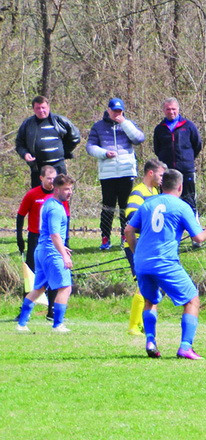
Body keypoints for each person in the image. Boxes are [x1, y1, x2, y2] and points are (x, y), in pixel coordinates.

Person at [124, 170, 206, 359]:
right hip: (165, 262)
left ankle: (150, 341)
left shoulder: (147, 203)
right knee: (192, 300)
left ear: (161, 185)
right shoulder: (182, 206)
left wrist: (136, 254)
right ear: (180, 187)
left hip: (142, 262)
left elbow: (128, 230)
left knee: (150, 301)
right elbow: (198, 238)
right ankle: (185, 347)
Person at [16, 174, 76, 333]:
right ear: (56, 189)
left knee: (39, 288)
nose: (69, 192)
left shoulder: (49, 202)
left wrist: (62, 247)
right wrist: (63, 254)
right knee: (65, 287)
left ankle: (21, 323)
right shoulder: (56, 208)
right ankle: (58, 325)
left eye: (70, 189)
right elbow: (54, 235)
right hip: (52, 252)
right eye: (66, 189)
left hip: (42, 250)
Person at [86, 98, 146, 250]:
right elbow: (90, 147)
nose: (116, 114)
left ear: (123, 111)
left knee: (125, 206)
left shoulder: (128, 124)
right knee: (108, 206)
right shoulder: (98, 127)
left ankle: (125, 236)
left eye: (119, 111)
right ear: (108, 110)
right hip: (108, 173)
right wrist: (104, 153)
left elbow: (139, 138)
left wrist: (124, 123)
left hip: (126, 171)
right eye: (114, 111)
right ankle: (105, 237)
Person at [123, 159, 166, 336]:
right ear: (150, 173)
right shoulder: (138, 192)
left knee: (150, 285)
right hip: (137, 244)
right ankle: (133, 326)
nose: (163, 178)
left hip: (149, 246)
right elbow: (131, 216)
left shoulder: (154, 191)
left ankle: (140, 324)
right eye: (161, 175)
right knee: (143, 285)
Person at [15, 95, 80, 188]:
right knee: (39, 195)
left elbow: (75, 137)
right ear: (33, 109)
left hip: (58, 167)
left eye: (43, 107)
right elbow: (19, 144)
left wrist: (63, 151)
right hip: (38, 168)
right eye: (38, 108)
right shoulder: (28, 124)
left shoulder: (60, 121)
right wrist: (25, 154)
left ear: (48, 107)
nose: (41, 110)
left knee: (60, 193)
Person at [153, 97, 203, 212]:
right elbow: (157, 149)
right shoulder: (159, 129)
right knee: (167, 201)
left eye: (173, 109)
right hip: (167, 171)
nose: (171, 112)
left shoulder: (189, 126)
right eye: (168, 109)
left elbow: (197, 145)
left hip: (186, 170)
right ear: (163, 110)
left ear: (178, 109)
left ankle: (192, 221)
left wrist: (187, 159)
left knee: (189, 199)